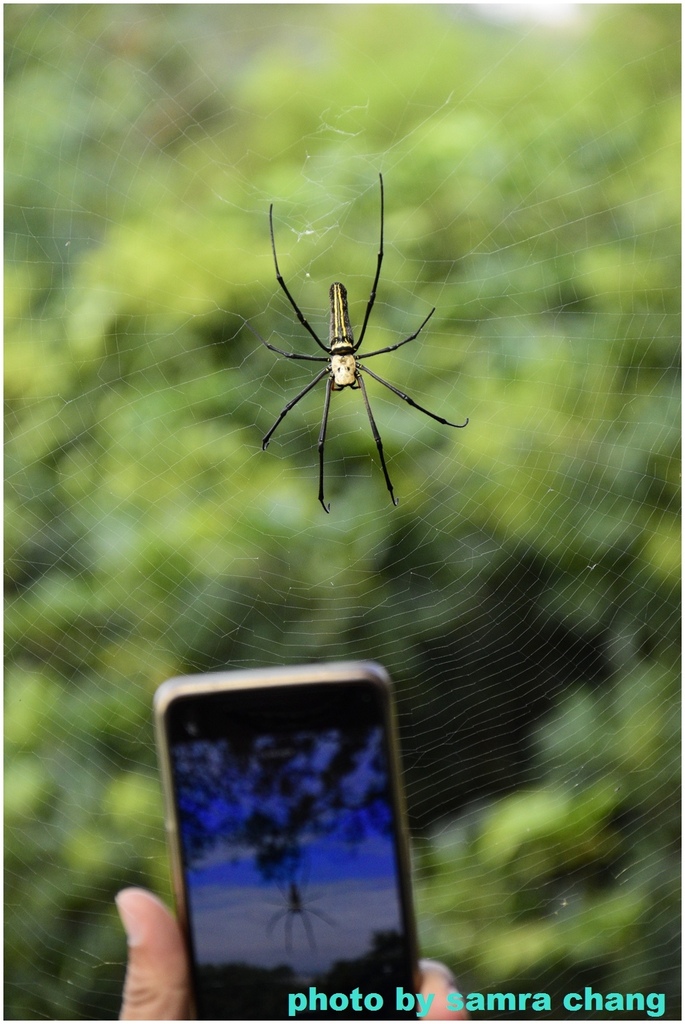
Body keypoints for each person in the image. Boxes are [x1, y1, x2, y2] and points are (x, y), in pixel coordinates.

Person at [116, 887, 468, 1020]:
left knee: (305, 920)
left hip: (299, 903)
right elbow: (286, 907)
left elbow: (305, 906)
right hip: (293, 903)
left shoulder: (299, 903)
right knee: (291, 922)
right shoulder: (290, 903)